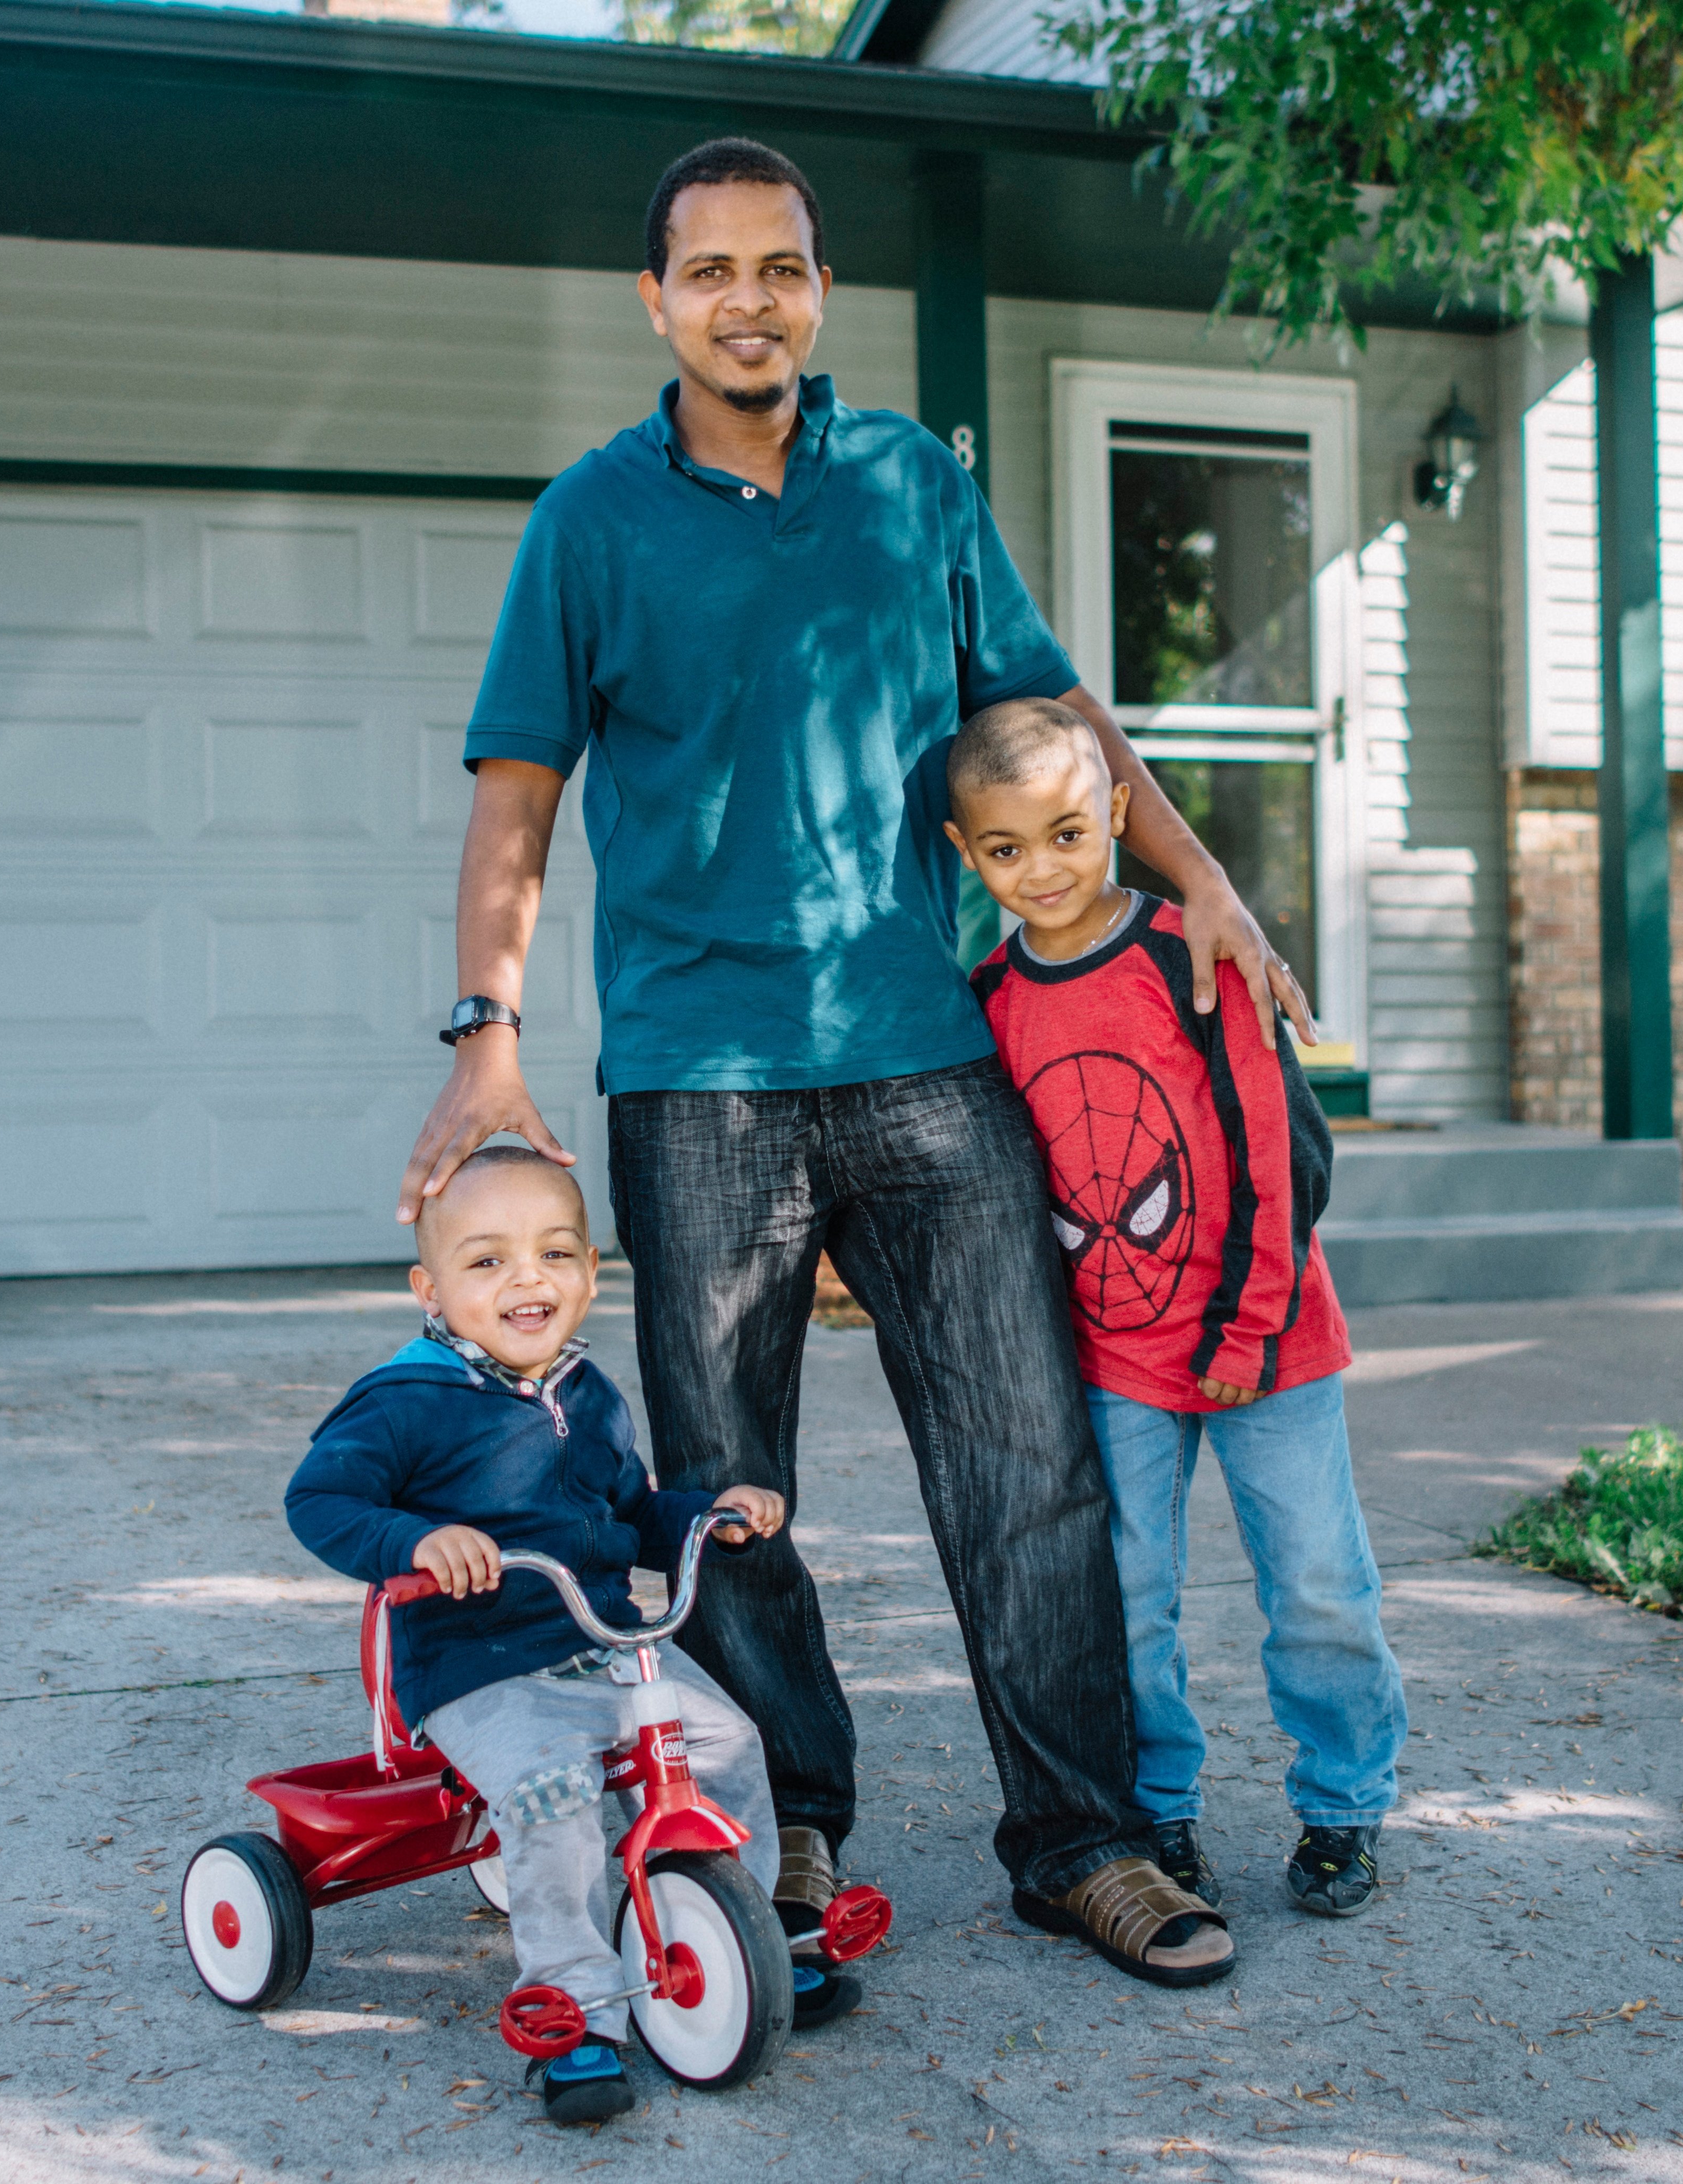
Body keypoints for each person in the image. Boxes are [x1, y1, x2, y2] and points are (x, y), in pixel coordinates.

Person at [397, 136, 1303, 1988]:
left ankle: (1084, 1841)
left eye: (783, 269)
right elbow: (517, 809)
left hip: (925, 1055)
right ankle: (780, 1815)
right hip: (700, 1079)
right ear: (659, 304)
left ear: (821, 292)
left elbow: (1052, 725)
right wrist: (489, 1037)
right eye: (711, 271)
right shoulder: (588, 520)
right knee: (725, 1496)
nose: (751, 301)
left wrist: (1205, 884)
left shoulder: (912, 486)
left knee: (1027, 1462)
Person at [948, 696, 1411, 1920]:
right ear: (965, 854)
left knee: (1315, 1581)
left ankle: (1342, 1806)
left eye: (1065, 833)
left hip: (1267, 1342)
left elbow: (1275, 1150)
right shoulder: (989, 996)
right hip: (1113, 1356)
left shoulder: (1189, 950)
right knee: (1125, 1598)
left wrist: (1247, 1327)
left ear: (1114, 811)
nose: (1040, 870)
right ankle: (1159, 1816)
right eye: (1005, 850)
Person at [287, 1147, 834, 2124]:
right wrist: (418, 1538)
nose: (526, 1278)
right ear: (431, 1288)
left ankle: (745, 1942)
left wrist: (712, 1513)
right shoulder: (404, 1401)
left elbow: (631, 1514)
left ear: (588, 1269)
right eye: (487, 1261)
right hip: (480, 1664)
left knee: (728, 1743)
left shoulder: (588, 1395)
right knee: (552, 1789)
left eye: (552, 1253)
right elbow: (319, 1500)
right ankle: (577, 2007)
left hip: (609, 1638)